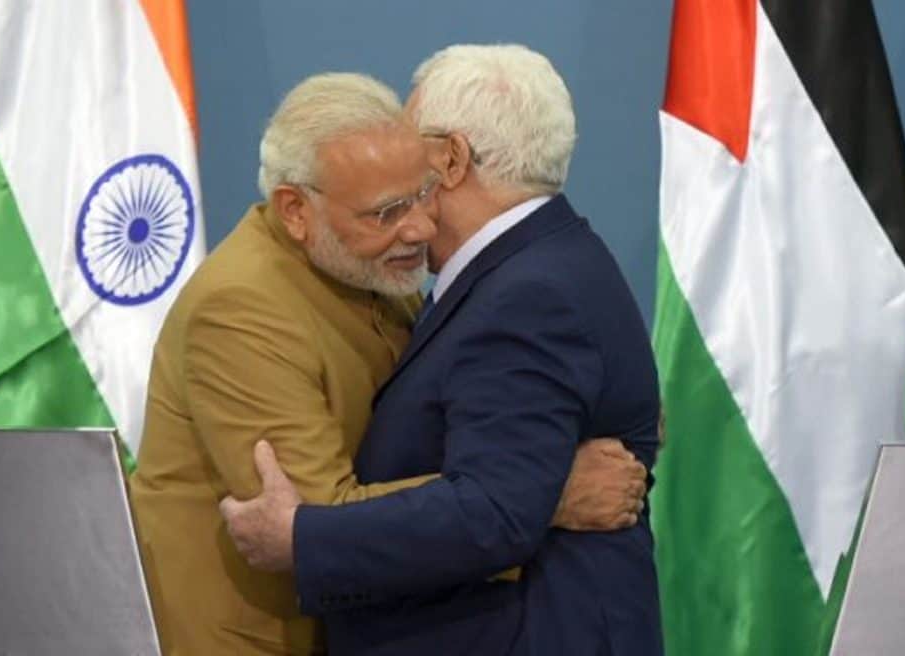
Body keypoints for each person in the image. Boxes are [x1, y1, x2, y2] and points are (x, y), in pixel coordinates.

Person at [130, 72, 648, 655]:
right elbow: (315, 519)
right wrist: (541, 494)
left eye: (424, 193)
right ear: (296, 210)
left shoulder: (373, 270)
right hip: (257, 638)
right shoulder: (240, 310)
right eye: (386, 212)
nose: (421, 227)